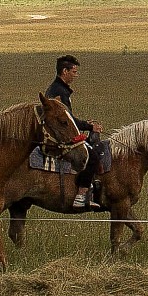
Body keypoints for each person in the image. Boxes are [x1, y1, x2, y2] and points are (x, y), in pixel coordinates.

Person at [45, 54, 107, 211]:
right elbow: (68, 120)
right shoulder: (59, 92)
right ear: (64, 71)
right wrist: (89, 126)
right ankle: (81, 195)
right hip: (60, 138)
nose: (75, 75)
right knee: (91, 156)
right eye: (74, 71)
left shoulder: (58, 89)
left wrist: (87, 125)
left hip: (62, 133)